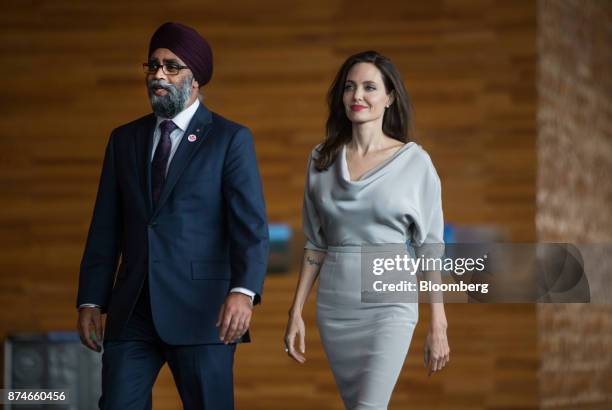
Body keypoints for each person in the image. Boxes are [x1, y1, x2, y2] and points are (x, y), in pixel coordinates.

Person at [76, 22, 269, 410]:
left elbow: (250, 227)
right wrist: (91, 301)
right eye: (153, 66)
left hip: (203, 312)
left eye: (171, 66)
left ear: (195, 78)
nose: (158, 75)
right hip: (132, 310)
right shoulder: (124, 139)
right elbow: (105, 227)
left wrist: (243, 291)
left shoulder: (230, 139)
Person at [284, 50, 450, 409]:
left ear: (389, 97)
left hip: (389, 304)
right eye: (350, 87)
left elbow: (430, 247)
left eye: (370, 87)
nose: (358, 96)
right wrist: (295, 311)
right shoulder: (320, 160)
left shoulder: (415, 163)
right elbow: (315, 244)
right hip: (335, 305)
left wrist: (439, 323)